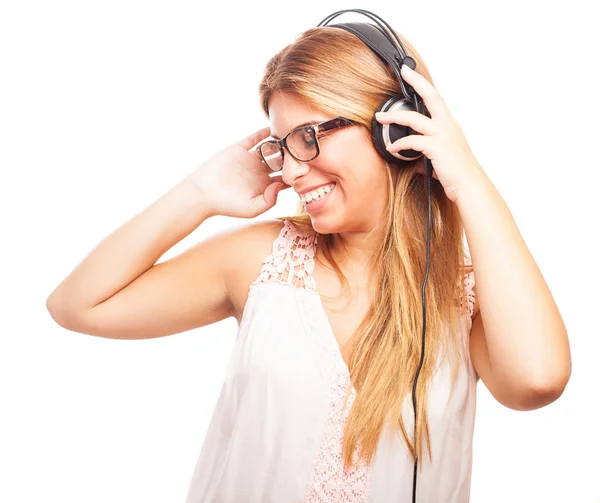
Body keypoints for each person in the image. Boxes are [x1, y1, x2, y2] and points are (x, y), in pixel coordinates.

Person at [46, 24, 571, 503]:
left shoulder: (471, 296)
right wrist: (198, 194)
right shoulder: (261, 261)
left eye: (308, 137)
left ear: (395, 132)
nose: (294, 170)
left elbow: (538, 381)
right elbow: (77, 306)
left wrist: (468, 179)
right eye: (281, 146)